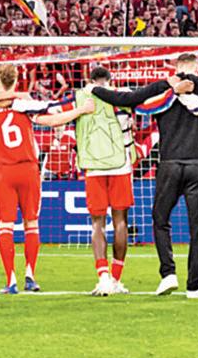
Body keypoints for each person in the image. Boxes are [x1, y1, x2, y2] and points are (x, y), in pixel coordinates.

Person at [91, 63, 198, 299]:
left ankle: (168, 274)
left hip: (169, 165)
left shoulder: (163, 91)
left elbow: (126, 99)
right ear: (196, 67)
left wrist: (94, 89)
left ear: (175, 68)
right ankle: (194, 286)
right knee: (197, 228)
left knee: (160, 219)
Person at [36, 65, 135, 294]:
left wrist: (79, 111)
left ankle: (103, 277)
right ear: (110, 80)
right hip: (121, 165)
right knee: (120, 221)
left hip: (93, 166)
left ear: (90, 81)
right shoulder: (123, 96)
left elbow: (50, 118)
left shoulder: (79, 98)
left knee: (97, 223)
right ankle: (116, 279)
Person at [0, 69, 54, 292]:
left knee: (5, 225)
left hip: (4, 172)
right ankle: (30, 275)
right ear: (15, 81)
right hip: (29, 169)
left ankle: (11, 279)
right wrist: (78, 111)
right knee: (31, 223)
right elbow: (50, 114)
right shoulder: (23, 103)